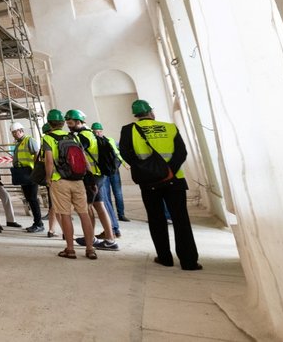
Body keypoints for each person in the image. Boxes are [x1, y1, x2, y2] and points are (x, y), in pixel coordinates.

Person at [119, 99, 201, 270]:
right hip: (174, 180)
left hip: (149, 182)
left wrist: (146, 169)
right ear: (151, 112)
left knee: (156, 219)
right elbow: (181, 152)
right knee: (181, 220)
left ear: (136, 115)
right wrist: (168, 170)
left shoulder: (129, 130)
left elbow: (126, 154)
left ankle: (164, 257)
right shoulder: (169, 127)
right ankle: (189, 261)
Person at [42, 114, 96, 260]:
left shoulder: (48, 138)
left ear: (50, 123)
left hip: (60, 180)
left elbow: (48, 161)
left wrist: (48, 178)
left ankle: (70, 249)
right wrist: (90, 179)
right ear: (62, 123)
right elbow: (84, 159)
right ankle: (90, 249)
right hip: (78, 180)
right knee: (84, 213)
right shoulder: (74, 137)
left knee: (65, 214)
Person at [65, 110, 119, 250]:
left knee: (86, 207)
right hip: (98, 175)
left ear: (78, 122)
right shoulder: (91, 134)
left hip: (91, 177)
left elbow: (77, 155)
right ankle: (110, 239)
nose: (68, 126)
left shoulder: (83, 136)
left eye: (70, 123)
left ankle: (92, 238)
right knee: (99, 206)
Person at [91, 122, 128, 231]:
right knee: (106, 196)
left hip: (113, 170)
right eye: (95, 132)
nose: (97, 133)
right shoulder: (95, 142)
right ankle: (113, 217)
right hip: (106, 171)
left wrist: (120, 165)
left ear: (102, 131)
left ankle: (121, 214)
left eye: (99, 131)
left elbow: (118, 154)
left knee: (117, 193)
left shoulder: (110, 141)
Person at [9, 122, 44, 233]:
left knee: (33, 199)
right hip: (22, 173)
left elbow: (36, 153)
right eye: (13, 132)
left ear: (21, 130)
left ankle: (39, 223)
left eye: (16, 132)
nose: (14, 134)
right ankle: (36, 222)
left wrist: (35, 171)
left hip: (30, 173)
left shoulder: (29, 140)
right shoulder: (18, 143)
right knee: (29, 198)